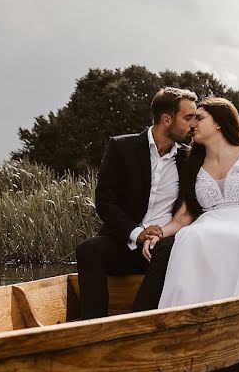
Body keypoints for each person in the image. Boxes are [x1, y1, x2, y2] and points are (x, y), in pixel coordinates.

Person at [144, 97, 239, 308]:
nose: (192, 124)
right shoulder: (192, 163)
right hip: (209, 225)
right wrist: (158, 233)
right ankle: (188, 316)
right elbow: (183, 217)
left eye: (199, 118)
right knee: (189, 236)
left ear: (218, 122)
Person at [75, 87, 197, 319]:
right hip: (125, 242)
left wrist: (157, 236)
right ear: (166, 119)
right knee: (88, 250)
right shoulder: (121, 148)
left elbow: (187, 211)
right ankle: (92, 327)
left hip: (162, 249)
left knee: (170, 248)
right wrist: (138, 233)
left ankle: (137, 322)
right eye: (188, 117)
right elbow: (104, 202)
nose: (193, 124)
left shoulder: (188, 159)